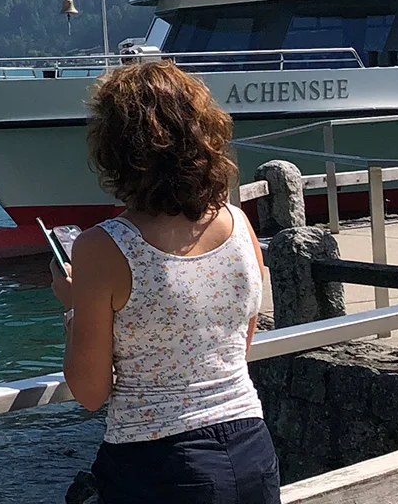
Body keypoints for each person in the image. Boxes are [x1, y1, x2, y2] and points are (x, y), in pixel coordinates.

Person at [52, 60, 279, 503]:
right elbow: (237, 346)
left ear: (117, 151)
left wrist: (74, 305)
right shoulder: (239, 226)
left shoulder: (105, 246)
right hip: (251, 450)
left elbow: (91, 392)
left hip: (159, 465)